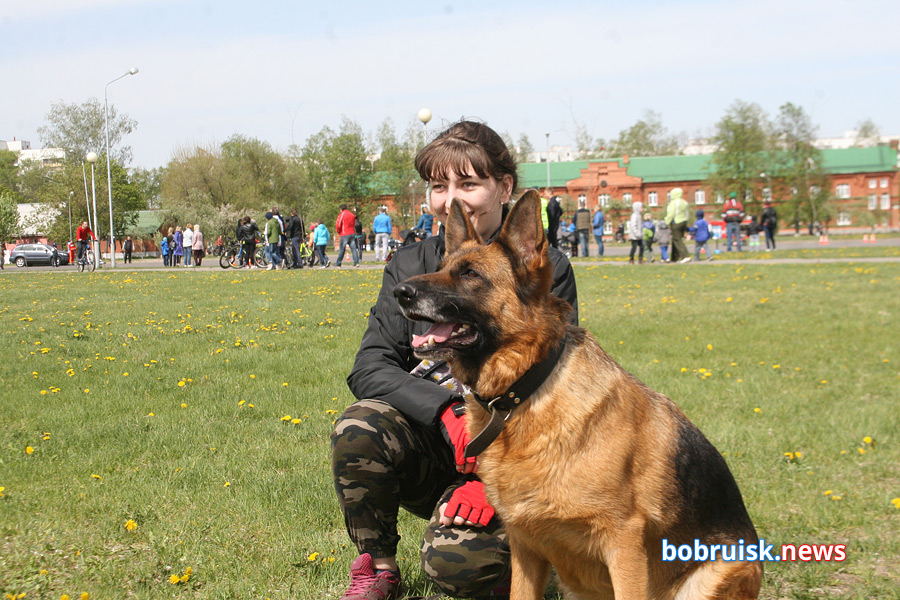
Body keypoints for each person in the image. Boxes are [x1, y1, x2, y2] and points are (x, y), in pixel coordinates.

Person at [334, 120, 578, 600]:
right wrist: (445, 411)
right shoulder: (409, 264)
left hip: (511, 450)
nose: (451, 200)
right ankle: (378, 569)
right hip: (437, 443)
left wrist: (490, 476)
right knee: (360, 425)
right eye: (438, 187)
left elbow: (549, 386)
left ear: (504, 187)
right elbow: (370, 366)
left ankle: (520, 553)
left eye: (468, 184)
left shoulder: (540, 270)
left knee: (454, 568)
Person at [665, 187, 691, 263]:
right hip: (684, 221)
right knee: (675, 239)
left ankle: (685, 256)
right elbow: (687, 213)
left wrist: (666, 222)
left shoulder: (674, 203)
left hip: (676, 222)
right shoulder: (684, 202)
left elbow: (671, 213)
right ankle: (674, 257)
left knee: (677, 239)